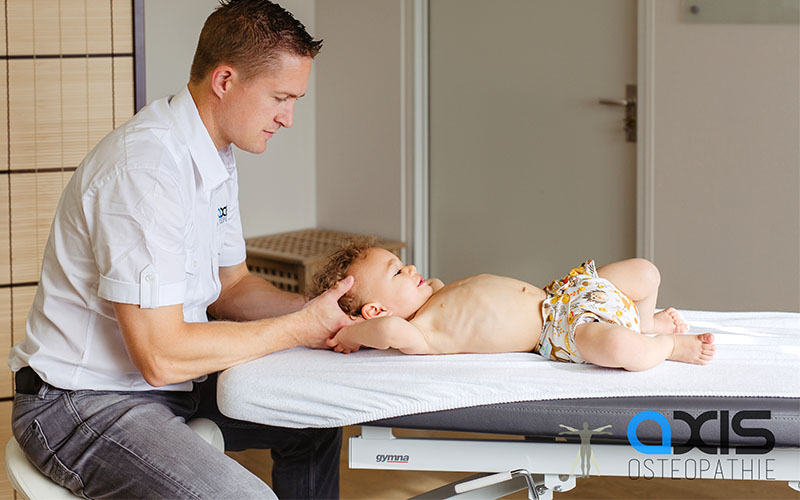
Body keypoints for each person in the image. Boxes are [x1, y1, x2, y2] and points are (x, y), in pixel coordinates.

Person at [8, 1, 356, 498]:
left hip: (168, 387)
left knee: (314, 419)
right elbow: (161, 356)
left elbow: (232, 288)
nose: (288, 118)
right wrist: (297, 329)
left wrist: (325, 313)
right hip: (82, 404)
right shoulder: (146, 171)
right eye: (280, 98)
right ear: (225, 80)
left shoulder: (214, 155)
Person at [307, 240, 716, 371]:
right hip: (560, 331)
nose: (411, 267)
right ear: (375, 312)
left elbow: (439, 288)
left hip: (565, 294)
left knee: (645, 272)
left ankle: (645, 323)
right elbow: (387, 331)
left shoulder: (432, 294)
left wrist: (421, 286)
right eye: (398, 272)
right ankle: (667, 347)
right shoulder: (419, 333)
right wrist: (351, 335)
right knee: (619, 348)